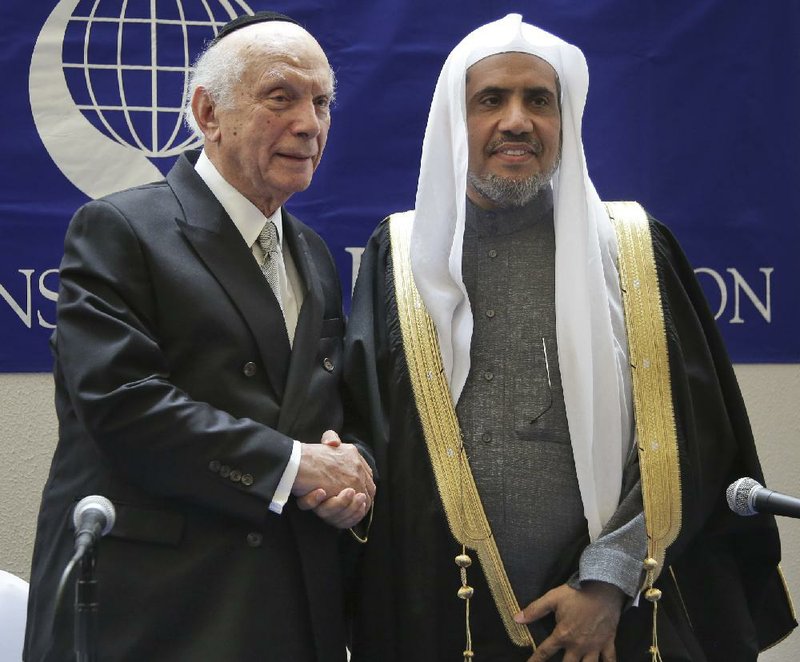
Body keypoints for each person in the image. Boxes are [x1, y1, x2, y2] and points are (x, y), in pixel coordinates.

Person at [343, 14, 795, 662]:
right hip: (452, 620)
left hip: (622, 619)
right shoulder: (403, 257)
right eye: (491, 100)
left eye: (539, 100)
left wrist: (607, 580)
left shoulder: (634, 249)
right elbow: (375, 436)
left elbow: (687, 440)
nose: (517, 120)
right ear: (453, 121)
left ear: (566, 120)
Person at [24, 12, 374, 662]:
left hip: (290, 612)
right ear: (208, 112)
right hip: (159, 616)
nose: (310, 123)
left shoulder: (317, 255)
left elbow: (319, 412)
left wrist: (351, 476)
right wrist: (296, 467)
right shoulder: (119, 230)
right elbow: (124, 406)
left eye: (322, 102)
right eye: (282, 97)